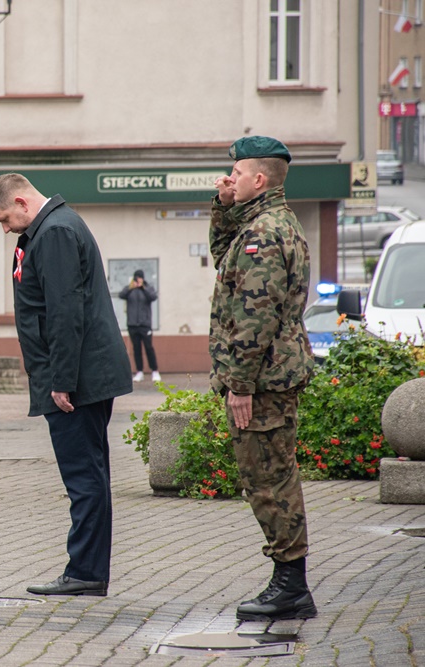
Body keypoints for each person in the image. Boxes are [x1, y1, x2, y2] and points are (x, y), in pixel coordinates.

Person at [0, 173, 132, 596]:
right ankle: (87, 570)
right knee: (89, 475)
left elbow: (65, 312)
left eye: (5, 219)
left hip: (76, 380)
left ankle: (85, 572)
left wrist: (62, 380)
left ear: (21, 202)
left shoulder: (55, 233)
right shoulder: (50, 228)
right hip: (80, 375)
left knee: (84, 478)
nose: (6, 229)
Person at [211, 136, 317, 621]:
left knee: (269, 480)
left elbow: (255, 316)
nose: (229, 178)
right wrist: (222, 206)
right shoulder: (265, 223)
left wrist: (240, 386)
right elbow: (224, 260)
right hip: (271, 375)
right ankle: (289, 582)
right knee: (271, 476)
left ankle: (291, 586)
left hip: (264, 379)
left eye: (236, 174)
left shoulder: (264, 233)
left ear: (259, 179)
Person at [118, 269, 160, 382]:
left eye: (140, 278)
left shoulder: (148, 288)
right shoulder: (130, 289)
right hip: (132, 325)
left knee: (148, 347)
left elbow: (153, 297)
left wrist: (143, 288)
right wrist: (131, 287)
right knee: (136, 348)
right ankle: (139, 371)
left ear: (143, 278)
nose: (138, 280)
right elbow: (121, 295)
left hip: (145, 324)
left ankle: (154, 370)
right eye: (136, 278)